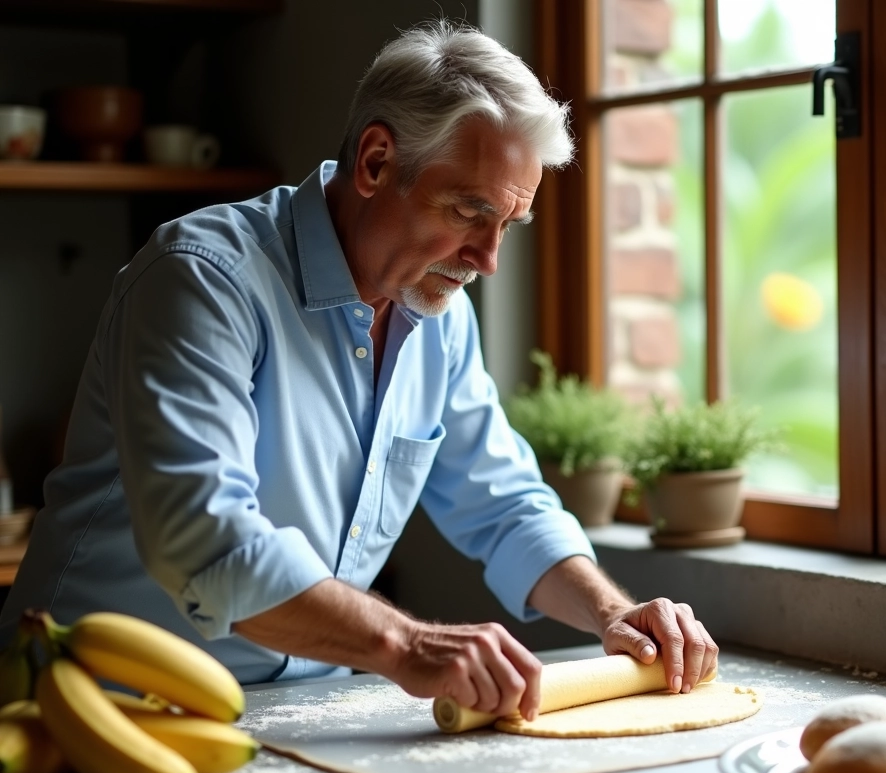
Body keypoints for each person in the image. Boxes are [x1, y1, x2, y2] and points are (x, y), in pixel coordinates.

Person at [0, 21, 717, 722]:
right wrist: (407, 644)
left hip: (293, 715)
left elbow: (505, 506)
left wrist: (612, 612)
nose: (488, 260)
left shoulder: (439, 314)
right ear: (376, 162)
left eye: (509, 225)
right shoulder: (201, 279)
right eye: (470, 211)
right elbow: (209, 544)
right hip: (81, 708)